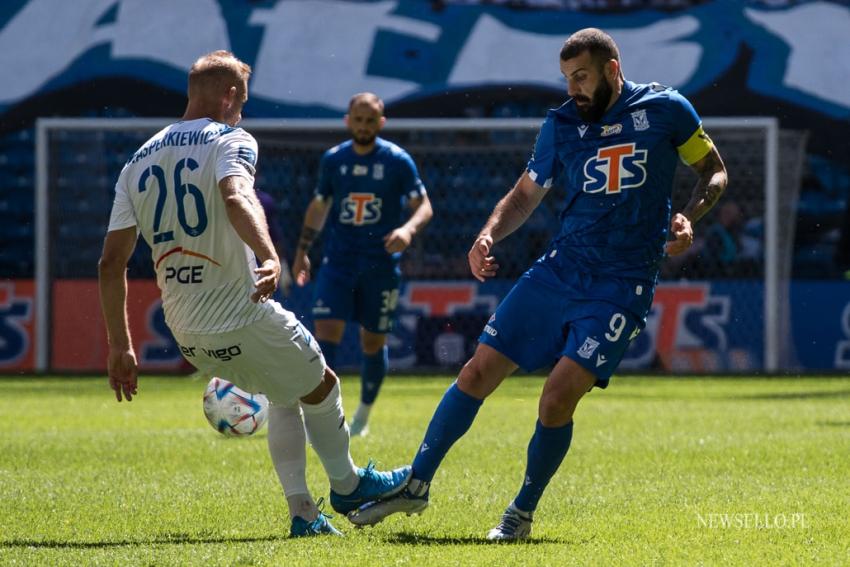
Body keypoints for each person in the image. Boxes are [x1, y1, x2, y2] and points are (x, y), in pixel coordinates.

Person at [349, 28, 728, 539]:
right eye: (567, 77)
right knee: (478, 370)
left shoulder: (666, 108)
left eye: (582, 76)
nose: (573, 87)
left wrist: (688, 217)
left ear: (612, 70)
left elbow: (714, 171)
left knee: (556, 396)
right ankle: (416, 484)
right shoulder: (562, 123)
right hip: (559, 270)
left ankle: (520, 513)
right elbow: (525, 195)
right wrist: (487, 234)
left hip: (622, 282)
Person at [97, 51, 410, 538]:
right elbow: (236, 194)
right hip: (241, 315)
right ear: (227, 96)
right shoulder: (231, 139)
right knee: (322, 385)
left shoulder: (138, 160)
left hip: (185, 331)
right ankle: (349, 486)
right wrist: (269, 254)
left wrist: (120, 346)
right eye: (241, 98)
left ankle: (304, 514)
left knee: (286, 393)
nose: (242, 109)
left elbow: (110, 262)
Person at [291, 93, 433, 437]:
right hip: (338, 263)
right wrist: (302, 250)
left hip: (379, 265)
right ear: (348, 120)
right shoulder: (333, 160)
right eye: (359, 119)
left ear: (381, 123)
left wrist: (407, 229)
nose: (364, 126)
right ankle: (323, 418)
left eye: (371, 121)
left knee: (372, 342)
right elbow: (319, 205)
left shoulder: (398, 161)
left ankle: (363, 417)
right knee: (325, 338)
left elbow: (424, 205)